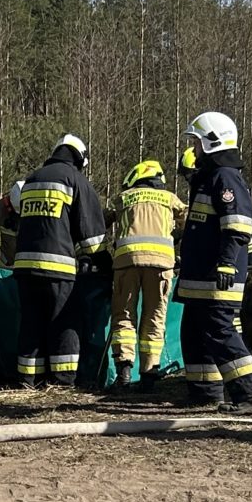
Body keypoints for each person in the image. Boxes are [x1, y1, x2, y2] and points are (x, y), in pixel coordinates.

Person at [175, 110, 252, 410]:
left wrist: (227, 262)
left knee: (220, 331)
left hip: (217, 276)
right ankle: (204, 392)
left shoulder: (226, 177)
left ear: (212, 142)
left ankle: (251, 395)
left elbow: (238, 224)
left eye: (197, 143)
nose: (193, 149)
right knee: (193, 333)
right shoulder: (209, 178)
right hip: (199, 277)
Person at [11, 134, 108, 387]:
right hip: (58, 268)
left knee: (31, 323)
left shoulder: (32, 179)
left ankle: (28, 379)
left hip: (24, 268)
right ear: (80, 158)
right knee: (64, 322)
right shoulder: (75, 180)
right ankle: (62, 381)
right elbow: (92, 238)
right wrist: (106, 266)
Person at [107, 158, 184, 387]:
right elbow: (191, 221)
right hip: (161, 266)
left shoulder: (123, 198)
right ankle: (149, 373)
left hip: (126, 263)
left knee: (124, 316)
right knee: (155, 317)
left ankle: (124, 371)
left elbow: (99, 221)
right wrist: (174, 239)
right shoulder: (170, 198)